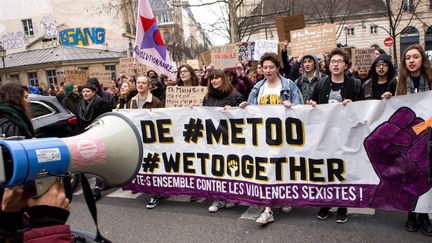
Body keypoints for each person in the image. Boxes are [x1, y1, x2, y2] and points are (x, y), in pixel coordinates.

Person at [240, 52, 303, 225]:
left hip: (284, 134)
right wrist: (245, 106)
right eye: (265, 67)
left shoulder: (289, 85)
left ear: (277, 68)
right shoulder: (258, 87)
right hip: (263, 135)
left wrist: (292, 107)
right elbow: (252, 109)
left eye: (271, 67)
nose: (267, 70)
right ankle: (268, 209)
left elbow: (301, 109)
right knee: (267, 168)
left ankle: (284, 198)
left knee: (283, 166)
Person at [308, 48, 363, 224]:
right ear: (328, 65)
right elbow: (311, 105)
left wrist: (353, 105)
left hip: (346, 136)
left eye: (339, 61)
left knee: (342, 171)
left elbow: (364, 110)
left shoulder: (355, 84)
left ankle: (342, 206)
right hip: (326, 136)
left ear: (345, 65)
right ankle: (326, 203)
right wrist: (311, 104)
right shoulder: (321, 84)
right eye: (333, 61)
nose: (336, 64)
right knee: (326, 170)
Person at [395, 44, 432, 236]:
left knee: (425, 177)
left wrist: (424, 125)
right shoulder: (400, 83)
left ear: (422, 59)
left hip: (429, 138)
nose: (411, 61)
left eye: (415, 57)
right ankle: (410, 213)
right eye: (408, 57)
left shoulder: (431, 81)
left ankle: (424, 214)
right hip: (408, 140)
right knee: (409, 175)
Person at [203, 69, 244, 212]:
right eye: (211, 79)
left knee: (230, 168)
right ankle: (219, 198)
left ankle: (232, 196)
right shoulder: (207, 96)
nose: (214, 81)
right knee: (216, 168)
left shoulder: (235, 95)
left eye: (217, 78)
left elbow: (245, 115)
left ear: (223, 79)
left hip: (230, 139)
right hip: (214, 139)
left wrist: (234, 110)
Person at [128, 76, 164, 209]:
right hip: (137, 137)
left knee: (153, 164)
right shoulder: (132, 101)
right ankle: (140, 185)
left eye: (143, 83)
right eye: (138, 82)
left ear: (149, 85)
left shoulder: (155, 101)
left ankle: (155, 194)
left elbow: (161, 121)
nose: (140, 85)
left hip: (152, 139)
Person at [76, 84, 113, 201]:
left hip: (99, 136)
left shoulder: (102, 104)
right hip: (86, 136)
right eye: (83, 92)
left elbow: (106, 122)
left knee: (99, 161)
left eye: (88, 91)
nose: (85, 94)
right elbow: (79, 122)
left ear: (94, 92)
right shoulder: (81, 105)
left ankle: (97, 187)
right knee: (93, 161)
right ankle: (104, 181)